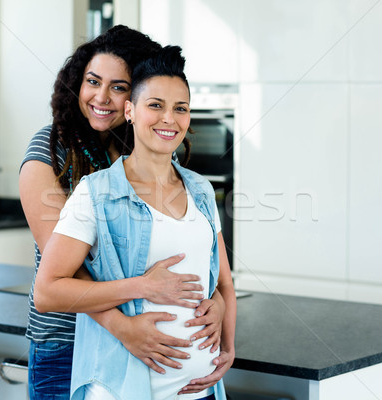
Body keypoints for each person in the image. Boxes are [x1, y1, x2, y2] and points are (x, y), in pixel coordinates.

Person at [19, 25, 232, 399]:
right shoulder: (50, 149)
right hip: (67, 341)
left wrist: (214, 304)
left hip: (139, 349)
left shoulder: (141, 156)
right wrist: (123, 327)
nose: (102, 97)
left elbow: (197, 262)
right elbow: (74, 270)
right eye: (92, 81)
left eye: (118, 87)